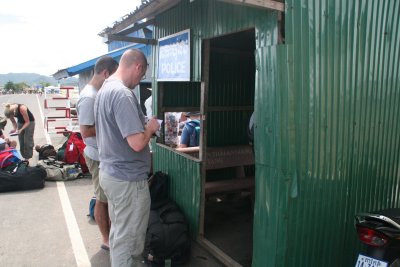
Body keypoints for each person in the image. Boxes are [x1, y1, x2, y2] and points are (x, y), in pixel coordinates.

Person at [94, 48, 160, 266]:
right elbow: (137, 143)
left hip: (111, 174)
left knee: (120, 234)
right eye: (141, 77)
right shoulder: (122, 93)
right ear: (138, 66)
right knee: (129, 241)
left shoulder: (105, 89)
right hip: (127, 180)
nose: (138, 81)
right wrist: (150, 129)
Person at [76, 55, 119, 252]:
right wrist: (113, 126)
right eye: (112, 77)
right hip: (96, 155)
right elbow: (85, 131)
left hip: (103, 155)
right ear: (105, 73)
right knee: (102, 199)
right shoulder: (89, 96)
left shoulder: (96, 93)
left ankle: (111, 235)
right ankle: (106, 239)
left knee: (107, 198)